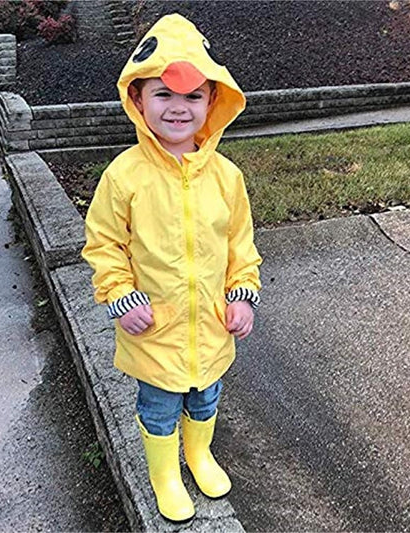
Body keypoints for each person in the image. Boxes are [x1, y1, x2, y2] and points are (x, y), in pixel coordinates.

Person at [82, 13, 262, 522]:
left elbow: (240, 245)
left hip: (210, 328)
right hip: (155, 329)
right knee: (159, 409)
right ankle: (165, 475)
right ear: (138, 101)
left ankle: (199, 454)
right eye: (163, 94)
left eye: (192, 96)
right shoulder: (125, 176)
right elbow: (104, 243)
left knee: (205, 399)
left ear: (212, 103)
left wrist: (242, 293)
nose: (178, 108)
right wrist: (119, 295)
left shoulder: (227, 177)